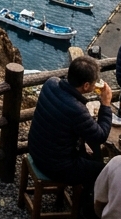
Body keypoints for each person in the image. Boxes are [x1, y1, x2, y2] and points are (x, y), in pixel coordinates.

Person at [27, 55, 112, 190]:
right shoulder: (77, 109)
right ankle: (88, 207)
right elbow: (100, 136)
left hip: (35, 150)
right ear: (86, 85)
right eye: (94, 81)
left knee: (93, 156)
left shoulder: (51, 83)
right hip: (56, 167)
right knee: (105, 170)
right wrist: (106, 104)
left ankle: (86, 194)